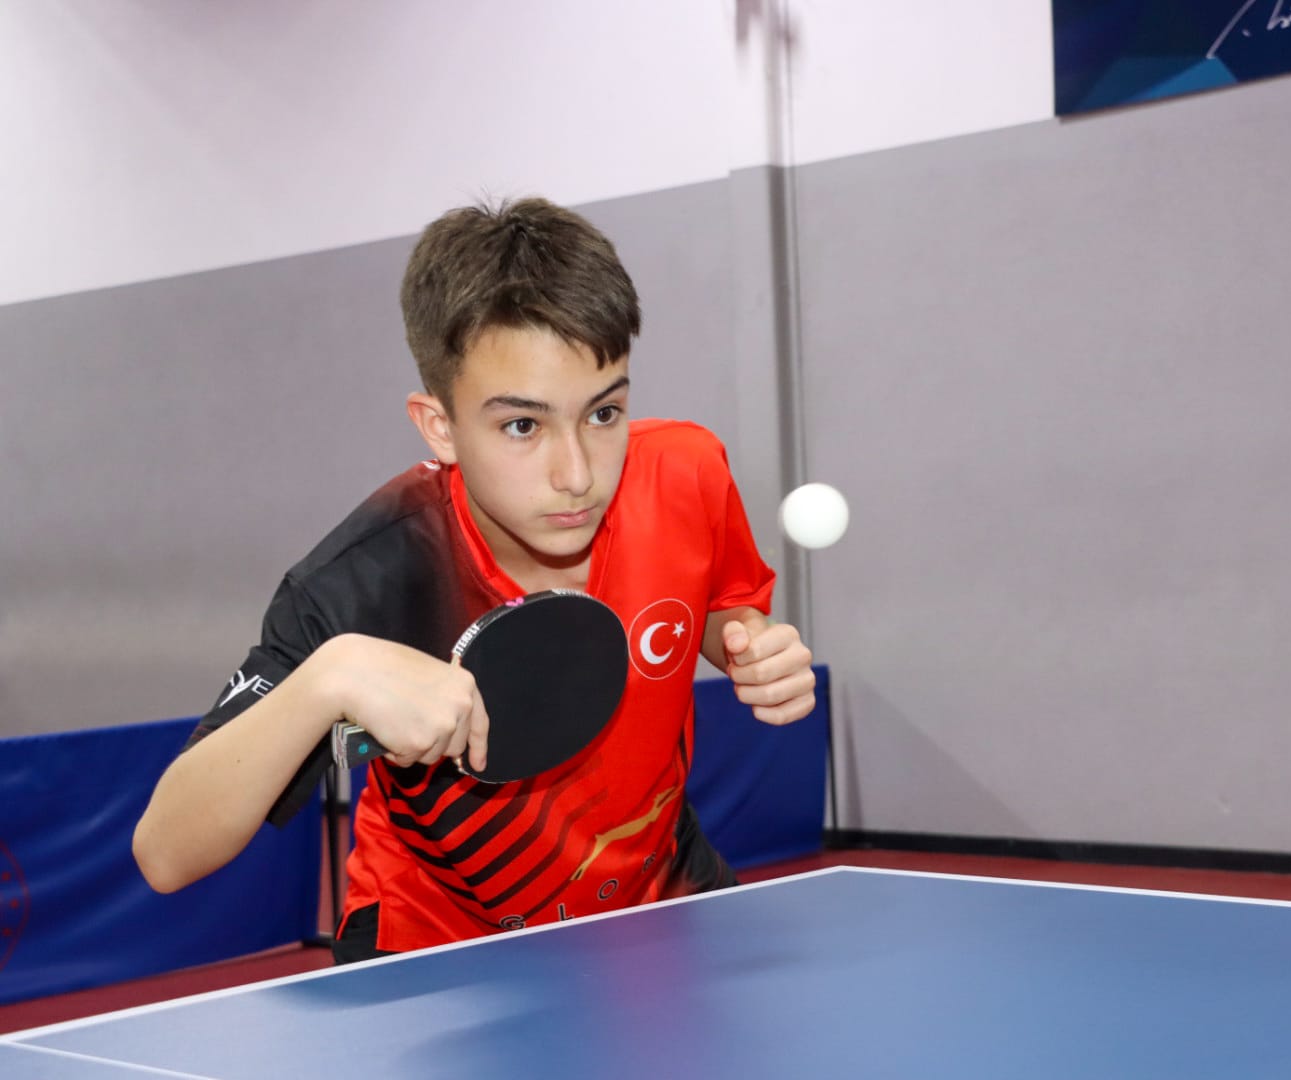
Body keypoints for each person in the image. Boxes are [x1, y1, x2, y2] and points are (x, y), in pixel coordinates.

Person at [132, 197, 817, 961]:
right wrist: (330, 676)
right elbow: (166, 853)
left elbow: (722, 600)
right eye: (522, 425)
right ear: (440, 427)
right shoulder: (365, 579)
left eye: (603, 413)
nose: (577, 474)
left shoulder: (687, 471)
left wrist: (748, 646)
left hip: (657, 898)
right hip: (440, 944)